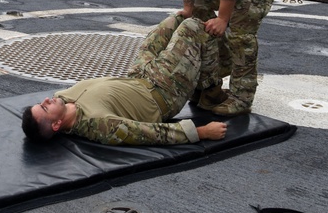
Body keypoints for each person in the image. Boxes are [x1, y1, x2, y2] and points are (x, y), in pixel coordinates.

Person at [21, 14, 228, 145]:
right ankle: (210, 88)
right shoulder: (99, 125)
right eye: (45, 108)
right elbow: (151, 134)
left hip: (139, 75)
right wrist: (200, 133)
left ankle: (204, 77)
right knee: (191, 27)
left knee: (177, 19)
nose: (46, 100)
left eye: (41, 103)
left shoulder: (62, 97)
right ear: (57, 124)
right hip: (164, 91)